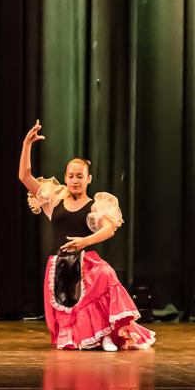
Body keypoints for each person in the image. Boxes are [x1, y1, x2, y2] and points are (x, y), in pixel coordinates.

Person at [18, 120, 154, 351]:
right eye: (71, 176)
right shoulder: (54, 200)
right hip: (59, 264)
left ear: (88, 179)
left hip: (86, 263)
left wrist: (84, 242)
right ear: (65, 177)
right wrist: (26, 145)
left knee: (106, 274)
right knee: (70, 315)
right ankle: (94, 336)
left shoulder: (95, 205)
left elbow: (108, 228)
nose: (75, 180)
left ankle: (108, 334)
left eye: (80, 176)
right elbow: (25, 176)